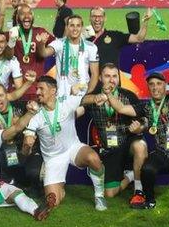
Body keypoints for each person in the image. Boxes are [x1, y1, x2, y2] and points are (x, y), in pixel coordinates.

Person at [22, 76, 107, 211]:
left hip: (73, 148)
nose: (37, 92)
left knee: (93, 158)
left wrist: (96, 98)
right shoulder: (35, 117)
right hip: (53, 159)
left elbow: (84, 99)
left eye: (41, 89)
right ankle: (59, 189)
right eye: (37, 89)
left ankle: (99, 195)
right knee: (53, 201)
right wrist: (27, 145)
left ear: (53, 91)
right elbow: (25, 153)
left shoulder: (65, 103)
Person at [106, 70, 169, 210]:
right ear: (148, 87)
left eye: (159, 84)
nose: (155, 87)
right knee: (147, 168)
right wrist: (108, 93)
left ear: (165, 85)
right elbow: (121, 108)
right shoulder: (146, 106)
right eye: (151, 84)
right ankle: (149, 200)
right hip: (162, 152)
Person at [81, 63, 147, 205]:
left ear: (118, 78)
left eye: (114, 76)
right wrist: (94, 98)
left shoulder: (128, 95)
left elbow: (144, 121)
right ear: (100, 78)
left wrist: (139, 128)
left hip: (129, 143)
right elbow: (81, 100)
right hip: (111, 149)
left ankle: (138, 189)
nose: (111, 80)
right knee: (109, 194)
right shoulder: (94, 97)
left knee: (140, 146)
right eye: (107, 76)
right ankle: (129, 177)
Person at [0, 82, 43, 191]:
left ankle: (36, 183)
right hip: (9, 153)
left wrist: (34, 106)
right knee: (4, 156)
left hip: (30, 150)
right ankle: (16, 183)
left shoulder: (21, 106)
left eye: (1, 95)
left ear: (7, 95)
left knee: (33, 173)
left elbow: (37, 107)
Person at [37, 15, 99, 96]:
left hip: (82, 92)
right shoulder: (59, 43)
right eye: (72, 25)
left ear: (82, 28)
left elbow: (95, 75)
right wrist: (42, 43)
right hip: (62, 94)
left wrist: (86, 94)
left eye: (78, 26)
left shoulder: (91, 47)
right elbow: (43, 53)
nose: (75, 29)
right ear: (67, 27)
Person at [7, 4, 55, 100]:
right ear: (17, 18)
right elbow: (8, 56)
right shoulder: (12, 33)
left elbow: (59, 45)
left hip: (37, 88)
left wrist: (42, 43)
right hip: (17, 89)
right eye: (22, 14)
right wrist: (11, 40)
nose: (26, 16)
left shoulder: (41, 32)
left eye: (29, 13)